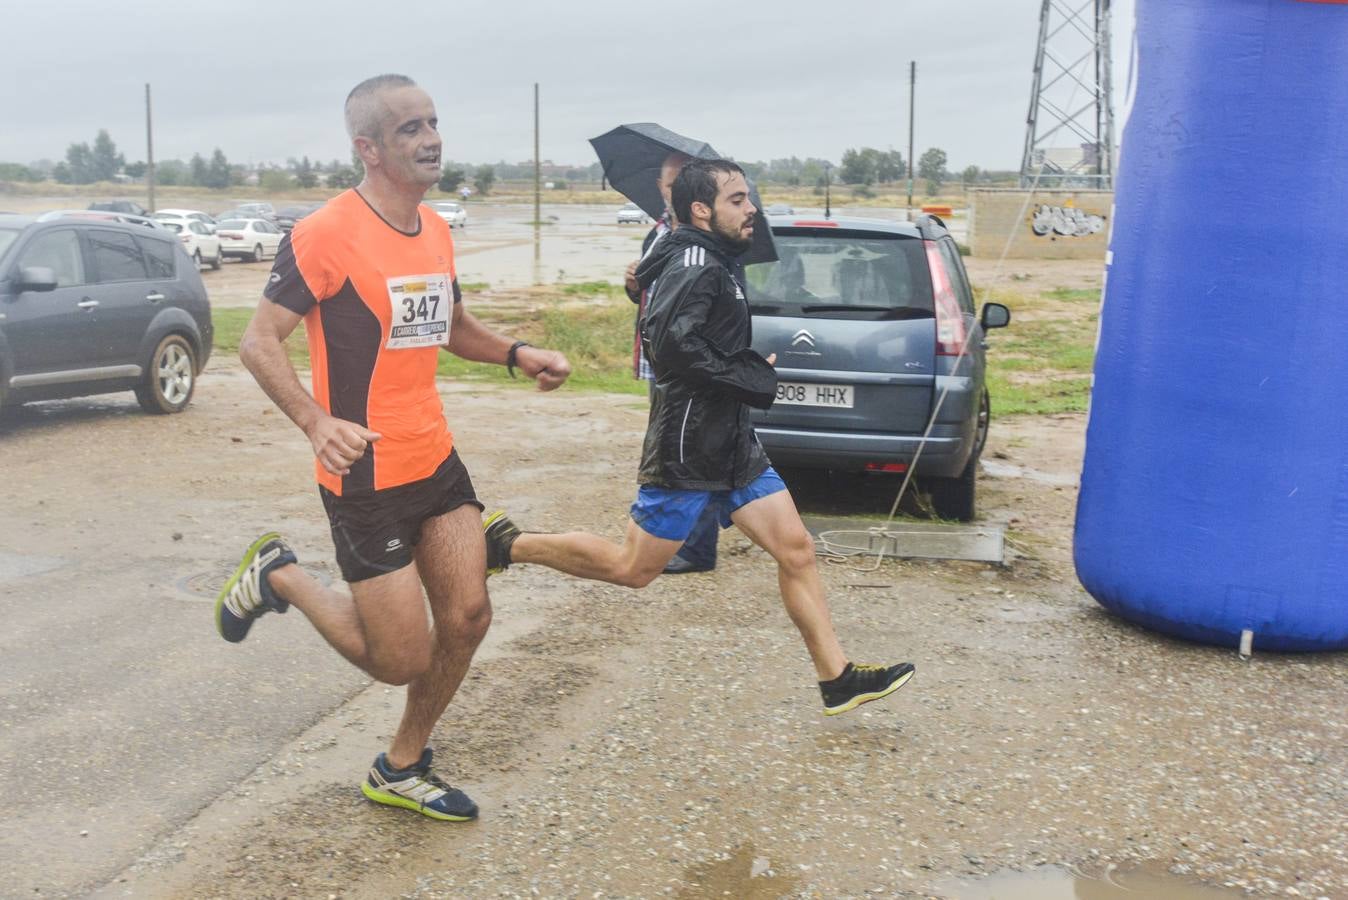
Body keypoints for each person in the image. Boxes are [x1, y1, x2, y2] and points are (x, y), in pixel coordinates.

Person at [215, 73, 571, 822]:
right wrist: (316, 421)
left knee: (469, 617)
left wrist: (516, 353)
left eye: (433, 121)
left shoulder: (435, 229)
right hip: (365, 475)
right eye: (410, 128)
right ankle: (280, 577)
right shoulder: (324, 233)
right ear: (368, 148)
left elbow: (449, 329)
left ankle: (402, 765)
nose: (431, 138)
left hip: (435, 458)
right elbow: (257, 343)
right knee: (399, 658)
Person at [484, 159, 913, 716]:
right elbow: (670, 345)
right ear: (701, 210)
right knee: (633, 569)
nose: (751, 207)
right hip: (689, 444)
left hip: (733, 442)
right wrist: (752, 375)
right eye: (737, 199)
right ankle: (505, 544)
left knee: (796, 549)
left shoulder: (714, 258)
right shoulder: (696, 263)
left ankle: (837, 678)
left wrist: (742, 375)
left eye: (748, 196)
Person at [622, 151, 719, 576]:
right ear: (660, 189)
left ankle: (697, 548)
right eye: (668, 182)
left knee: (693, 450)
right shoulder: (658, 233)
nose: (673, 189)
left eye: (682, 181)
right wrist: (632, 284)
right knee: (670, 450)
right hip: (659, 358)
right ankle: (672, 539)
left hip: (691, 361)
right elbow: (648, 294)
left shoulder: (712, 238)